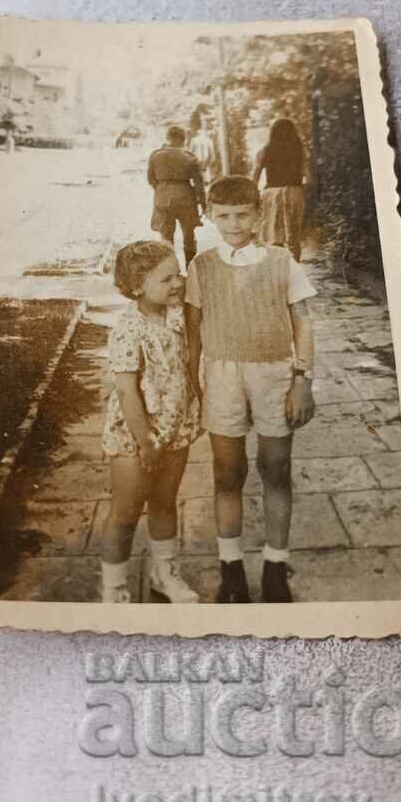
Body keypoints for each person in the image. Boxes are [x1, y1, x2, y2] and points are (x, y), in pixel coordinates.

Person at [185, 176, 316, 604]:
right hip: (222, 377)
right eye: (223, 216)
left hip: (275, 375)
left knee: (276, 469)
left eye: (242, 214)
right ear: (209, 216)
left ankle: (276, 565)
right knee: (227, 473)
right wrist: (193, 385)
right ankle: (232, 569)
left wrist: (302, 380)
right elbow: (192, 335)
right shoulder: (201, 266)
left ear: (259, 215)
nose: (234, 224)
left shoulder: (283, 262)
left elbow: (303, 324)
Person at [100, 240, 201, 604]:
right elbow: (127, 391)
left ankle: (165, 574)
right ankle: (113, 589)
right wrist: (146, 442)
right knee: (124, 514)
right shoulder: (129, 328)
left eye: (178, 274)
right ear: (138, 286)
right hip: (135, 435)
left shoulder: (177, 314)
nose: (177, 283)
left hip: (174, 428)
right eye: (166, 279)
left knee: (164, 502)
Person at [147, 125, 206, 267]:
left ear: (167, 138)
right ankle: (190, 269)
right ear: (183, 140)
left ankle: (170, 270)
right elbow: (199, 183)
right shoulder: (189, 157)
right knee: (189, 236)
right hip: (185, 198)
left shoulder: (156, 156)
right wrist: (203, 203)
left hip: (163, 198)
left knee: (166, 237)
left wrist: (162, 189)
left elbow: (150, 179)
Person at [252, 117, 305, 261]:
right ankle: (295, 269)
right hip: (294, 192)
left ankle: (279, 271)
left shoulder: (264, 151)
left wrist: (253, 194)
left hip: (272, 195)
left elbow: (255, 176)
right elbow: (306, 174)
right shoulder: (300, 151)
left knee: (274, 235)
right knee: (294, 236)